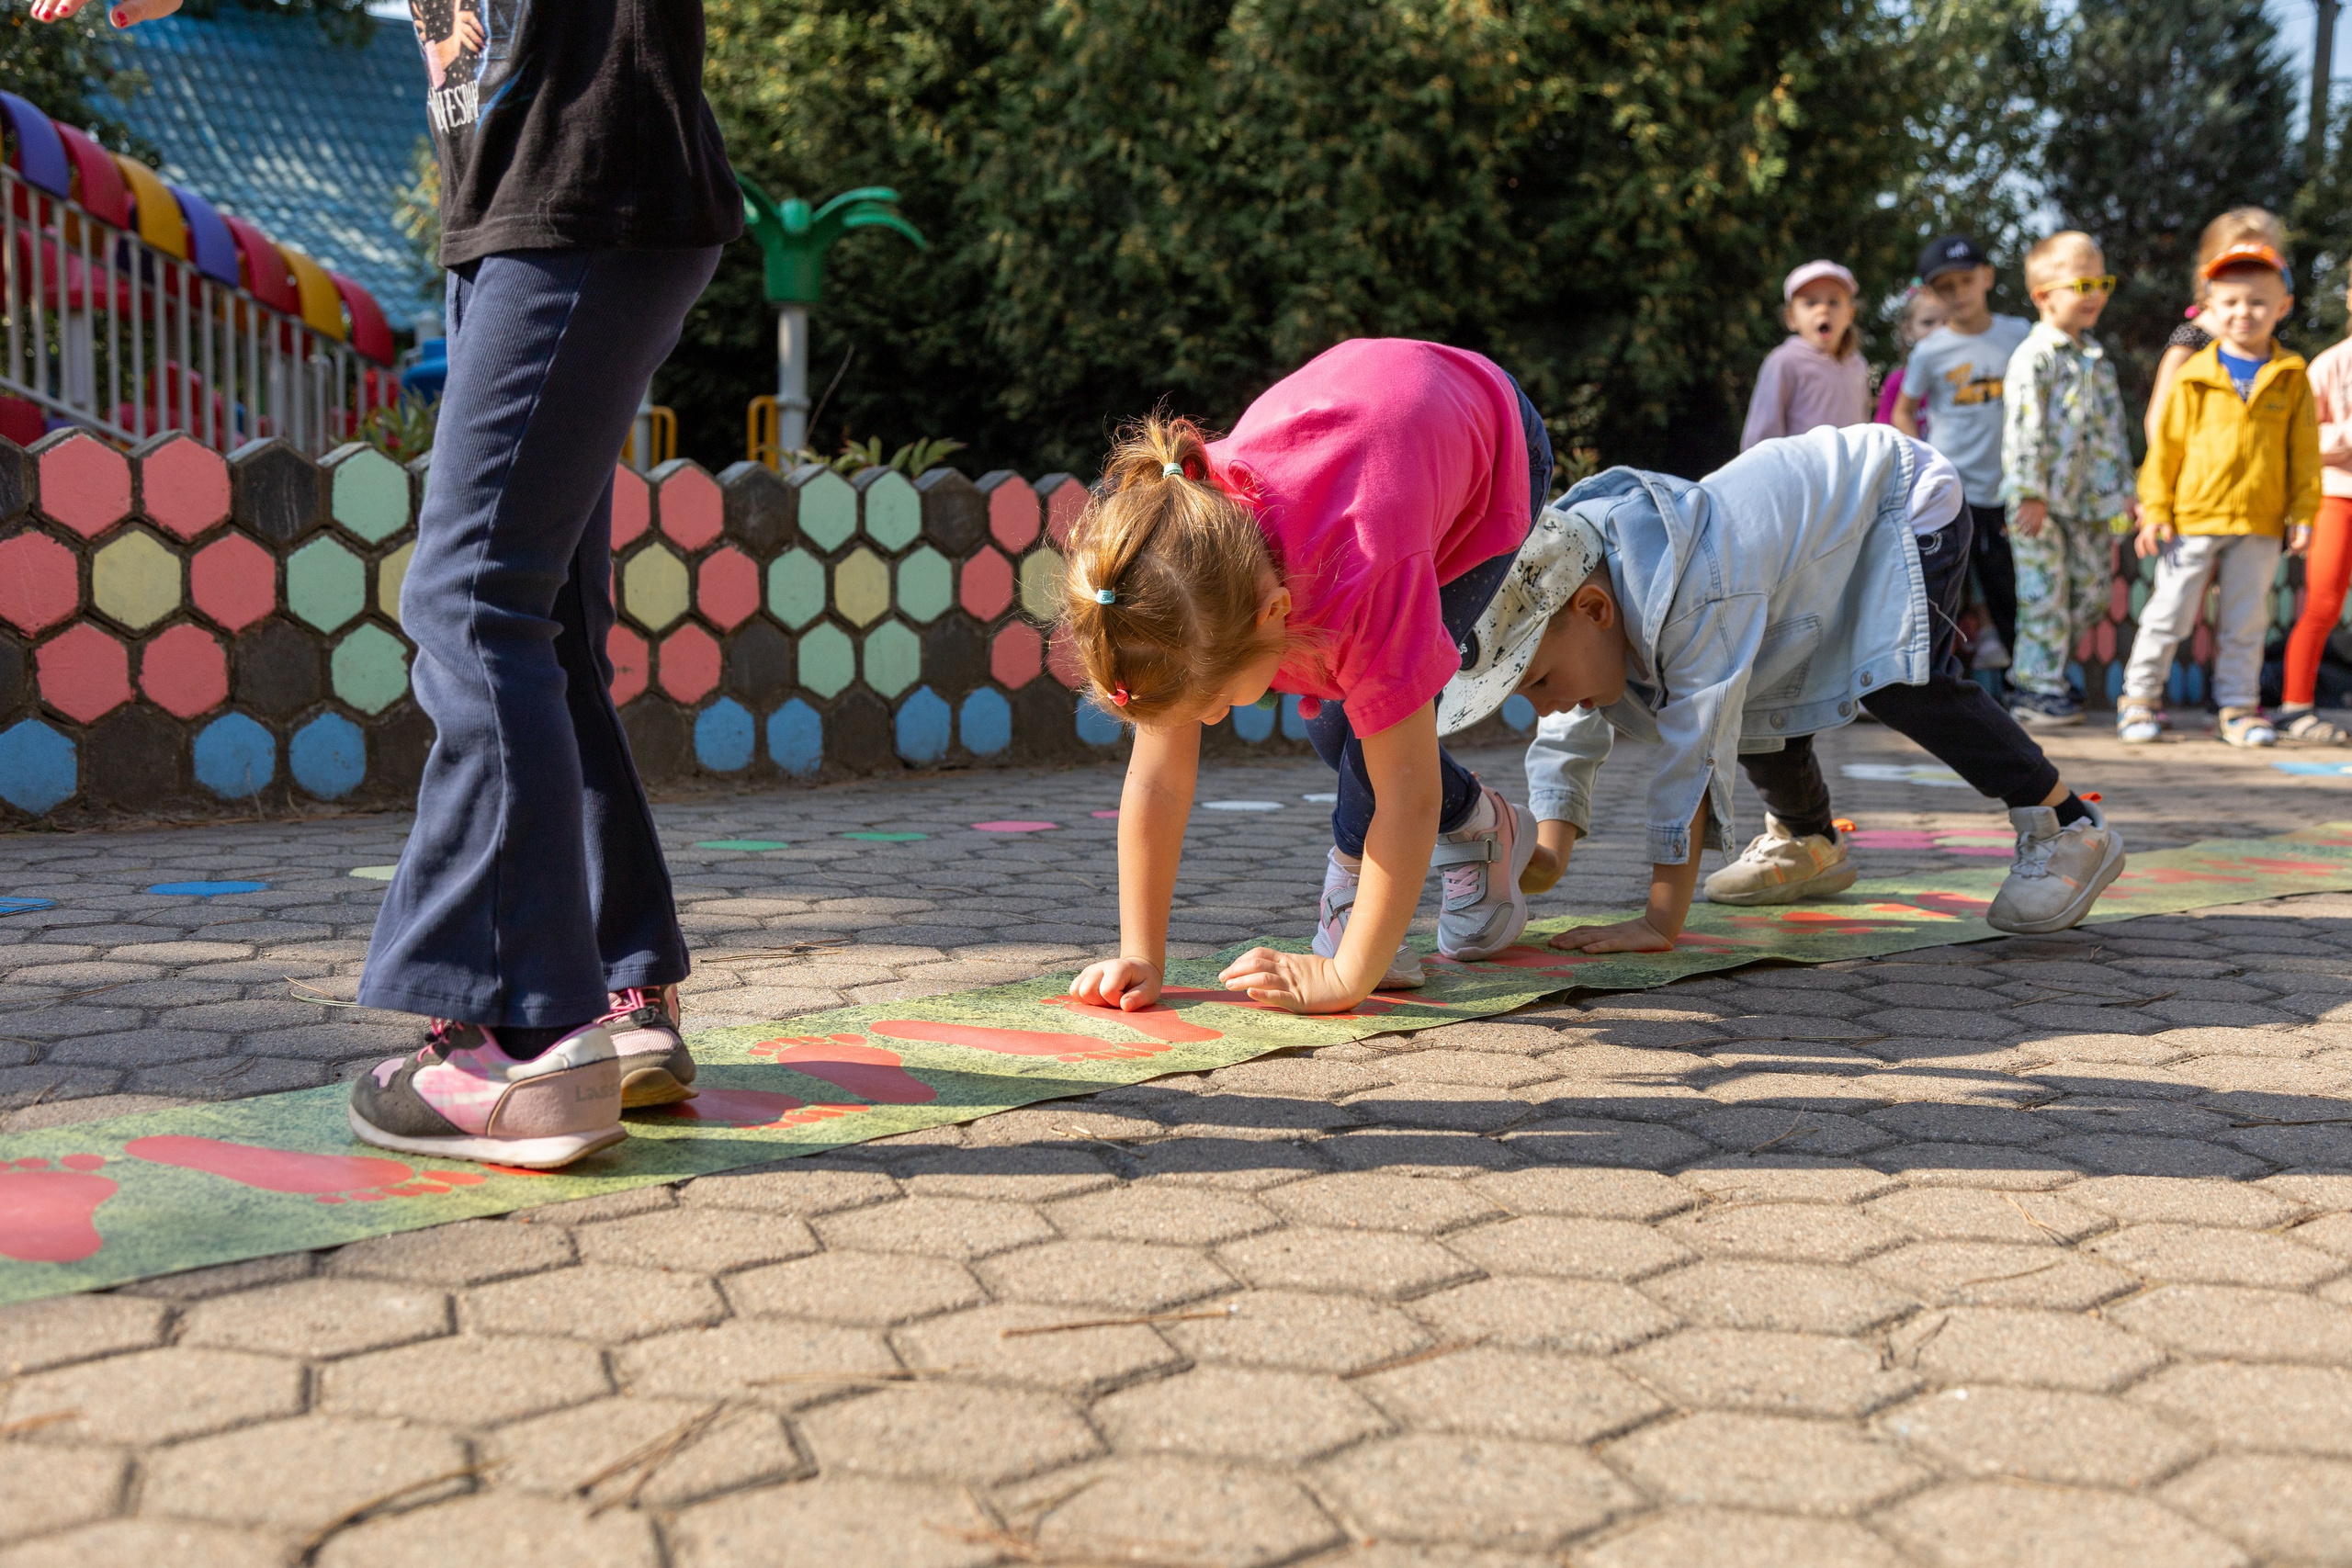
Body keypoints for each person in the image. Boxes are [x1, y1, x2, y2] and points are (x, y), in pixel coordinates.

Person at [37, 0, 743, 1167]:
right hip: (529, 208)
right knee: (544, 617)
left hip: (583, 181)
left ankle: (513, 1042)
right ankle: (622, 993)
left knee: (472, 604)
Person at [1058, 339, 1551, 1017]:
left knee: (1367, 734)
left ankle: (1364, 913)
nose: (1206, 722)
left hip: (1492, 447)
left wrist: (1346, 975)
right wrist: (1140, 952)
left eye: (1217, 701)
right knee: (1339, 722)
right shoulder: (1182, 574)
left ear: (1275, 613)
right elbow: (1158, 778)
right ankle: (1480, 823)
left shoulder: (1369, 574)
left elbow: (1406, 797)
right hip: (1379, 436)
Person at [1488, 423, 2123, 939]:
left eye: (1539, 681)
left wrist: (1658, 920)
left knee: (1901, 682)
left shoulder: (1695, 596)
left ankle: (2066, 822)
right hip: (1821, 534)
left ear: (1596, 610)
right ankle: (1809, 839)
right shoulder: (1577, 586)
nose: (1543, 705)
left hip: (1903, 496)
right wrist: (1546, 858)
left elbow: (1697, 753)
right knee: (1760, 686)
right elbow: (1566, 732)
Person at [2122, 240, 2321, 748]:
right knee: (2168, 611)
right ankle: (2139, 699)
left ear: (2283, 307)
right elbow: (2164, 449)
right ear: (2209, 308)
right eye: (2230, 302)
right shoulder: (2193, 375)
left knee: (2246, 619)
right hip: (2193, 516)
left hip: (2259, 520)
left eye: (2257, 302)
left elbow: (2304, 453)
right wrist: (2158, 508)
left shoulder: (2292, 376)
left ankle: (2237, 708)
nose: (2243, 313)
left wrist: (2302, 512)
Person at [2000, 231, 2137, 728]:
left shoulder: (2096, 361)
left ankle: (2045, 672)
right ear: (2043, 296)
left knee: (2092, 592)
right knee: (2044, 594)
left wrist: (2124, 491)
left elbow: (2113, 431)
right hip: (2041, 503)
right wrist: (2029, 492)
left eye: (2101, 282)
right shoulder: (2034, 357)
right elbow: (2023, 429)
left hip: (2091, 503)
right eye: (2082, 283)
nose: (2094, 294)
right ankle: (2036, 688)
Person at [1893, 234, 2033, 673]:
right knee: (1941, 592)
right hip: (1953, 491)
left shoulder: (2021, 334)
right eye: (1945, 287)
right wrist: (1926, 465)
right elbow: (1902, 410)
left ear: (1987, 277)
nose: (1958, 294)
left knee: (2010, 588)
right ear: (1932, 293)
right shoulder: (1930, 351)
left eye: (1966, 281)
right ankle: (1930, 682)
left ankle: (2023, 684)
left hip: (2011, 488)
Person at [2278, 269, 2352, 744]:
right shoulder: (2330, 364)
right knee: (2322, 602)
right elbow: (2299, 437)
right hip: (2336, 495)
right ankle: (2295, 707)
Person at [2146, 209, 2289, 452]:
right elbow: (2159, 422)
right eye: (2237, 265)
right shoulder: (2190, 343)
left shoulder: (2258, 341)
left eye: (2261, 263)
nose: (2248, 273)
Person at [1741, 261, 1871, 449]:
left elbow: (1863, 423)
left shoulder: (1859, 366)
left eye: (1833, 302)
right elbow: (1761, 435)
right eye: (1810, 303)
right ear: (1791, 318)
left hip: (1850, 476)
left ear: (1849, 314)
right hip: (1800, 476)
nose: (1823, 310)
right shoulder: (1783, 362)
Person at [1875, 288, 1949, 429]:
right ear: (1908, 331)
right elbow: (1884, 435)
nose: (1939, 330)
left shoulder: (1966, 374)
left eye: (1947, 322)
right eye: (1928, 322)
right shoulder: (1897, 384)